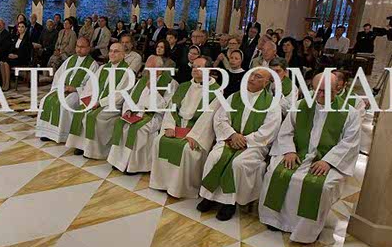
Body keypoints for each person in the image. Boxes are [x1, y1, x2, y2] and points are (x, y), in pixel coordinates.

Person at [258, 73, 360, 243]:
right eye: (317, 90)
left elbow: (349, 143)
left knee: (321, 186)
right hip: (298, 153)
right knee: (275, 173)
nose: (320, 95)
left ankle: (306, 230)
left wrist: (328, 161)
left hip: (327, 160)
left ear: (337, 89)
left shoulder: (350, 113)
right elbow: (286, 131)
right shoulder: (300, 106)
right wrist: (289, 151)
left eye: (326, 91)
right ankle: (276, 220)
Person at [197, 68, 282, 221]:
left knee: (238, 163)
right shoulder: (234, 96)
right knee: (214, 156)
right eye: (251, 75)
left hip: (255, 145)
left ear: (266, 82)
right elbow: (220, 118)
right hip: (230, 139)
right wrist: (232, 135)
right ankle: (209, 196)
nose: (252, 78)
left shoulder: (272, 104)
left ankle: (229, 203)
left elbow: (269, 130)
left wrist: (245, 140)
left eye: (258, 76)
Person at [149, 56, 220, 197]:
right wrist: (169, 126)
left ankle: (179, 188)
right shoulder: (184, 86)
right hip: (177, 126)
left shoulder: (216, 91)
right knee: (158, 140)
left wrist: (194, 136)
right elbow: (172, 107)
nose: (195, 69)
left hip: (196, 130)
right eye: (193, 66)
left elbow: (208, 118)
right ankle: (162, 183)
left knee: (187, 149)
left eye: (199, 67)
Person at [108, 55, 173, 174]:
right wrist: (128, 110)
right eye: (147, 68)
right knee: (120, 123)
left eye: (151, 68)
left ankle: (134, 166)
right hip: (135, 113)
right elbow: (130, 97)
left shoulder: (170, 83)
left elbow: (165, 107)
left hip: (153, 116)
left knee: (138, 130)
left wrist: (154, 90)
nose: (147, 71)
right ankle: (119, 161)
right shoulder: (142, 80)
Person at [66, 43, 131, 159]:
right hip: (96, 101)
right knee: (81, 111)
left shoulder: (127, 72)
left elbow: (120, 95)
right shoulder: (103, 68)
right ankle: (81, 145)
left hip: (113, 105)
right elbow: (90, 86)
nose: (112, 54)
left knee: (94, 117)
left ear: (123, 54)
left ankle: (94, 151)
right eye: (110, 51)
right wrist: (88, 99)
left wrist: (100, 103)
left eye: (116, 51)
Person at [36, 38, 98, 143]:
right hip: (63, 89)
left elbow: (91, 85)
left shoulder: (93, 65)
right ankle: (47, 133)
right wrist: (61, 86)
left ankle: (63, 135)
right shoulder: (70, 59)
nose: (79, 49)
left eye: (82, 47)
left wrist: (76, 89)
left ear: (88, 48)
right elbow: (59, 75)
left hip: (78, 93)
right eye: (77, 46)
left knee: (66, 104)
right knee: (45, 100)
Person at [0, 21, 32, 90]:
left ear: (26, 28)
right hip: (14, 57)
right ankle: (4, 82)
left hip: (22, 58)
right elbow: (12, 48)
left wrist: (17, 56)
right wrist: (10, 54)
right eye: (19, 27)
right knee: (1, 62)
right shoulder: (17, 37)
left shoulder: (28, 38)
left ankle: (7, 84)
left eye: (22, 27)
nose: (20, 28)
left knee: (6, 63)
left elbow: (27, 52)